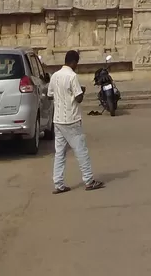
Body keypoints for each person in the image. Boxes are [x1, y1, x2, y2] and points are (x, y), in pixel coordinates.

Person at [48, 50, 104, 194]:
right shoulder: (72, 76)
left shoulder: (55, 76)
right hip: (71, 119)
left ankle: (58, 183)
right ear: (73, 62)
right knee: (81, 150)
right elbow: (78, 98)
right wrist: (81, 91)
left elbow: (50, 95)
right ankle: (89, 180)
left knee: (59, 153)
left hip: (58, 119)